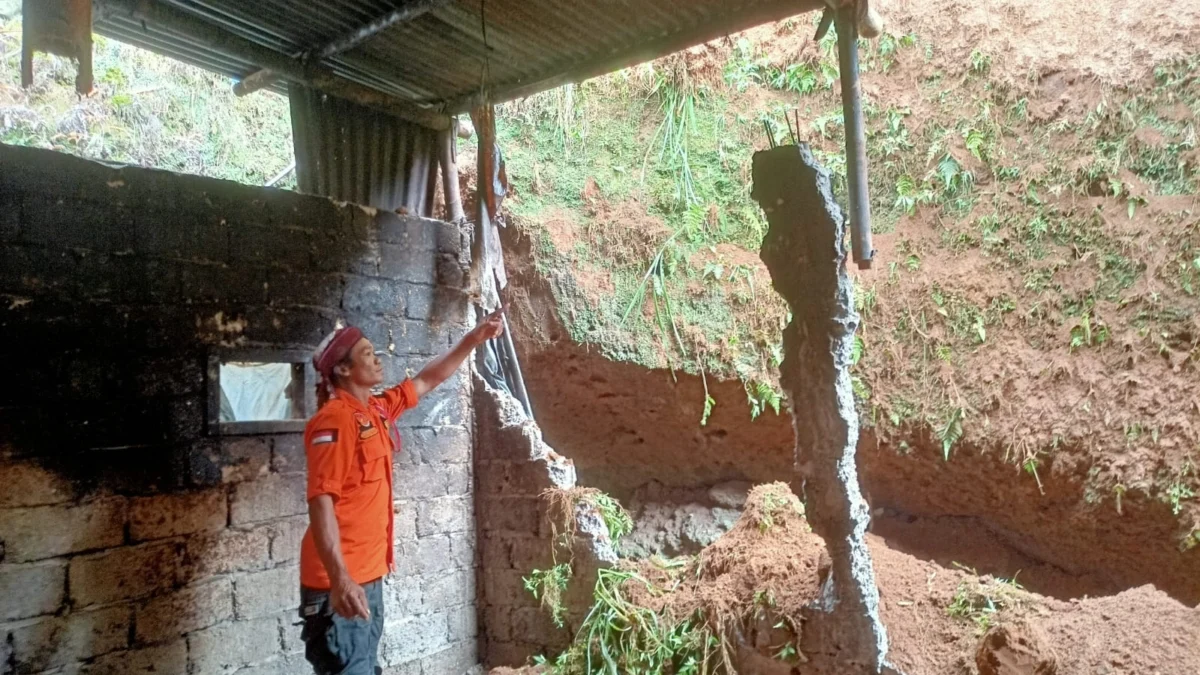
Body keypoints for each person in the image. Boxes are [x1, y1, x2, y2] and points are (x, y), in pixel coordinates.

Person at [297, 311, 503, 675]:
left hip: (366, 574)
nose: (377, 359)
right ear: (343, 370)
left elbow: (428, 379)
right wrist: (341, 578)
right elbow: (321, 500)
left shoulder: (374, 410)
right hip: (339, 580)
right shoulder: (335, 420)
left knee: (363, 666)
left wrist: (474, 337)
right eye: (366, 354)